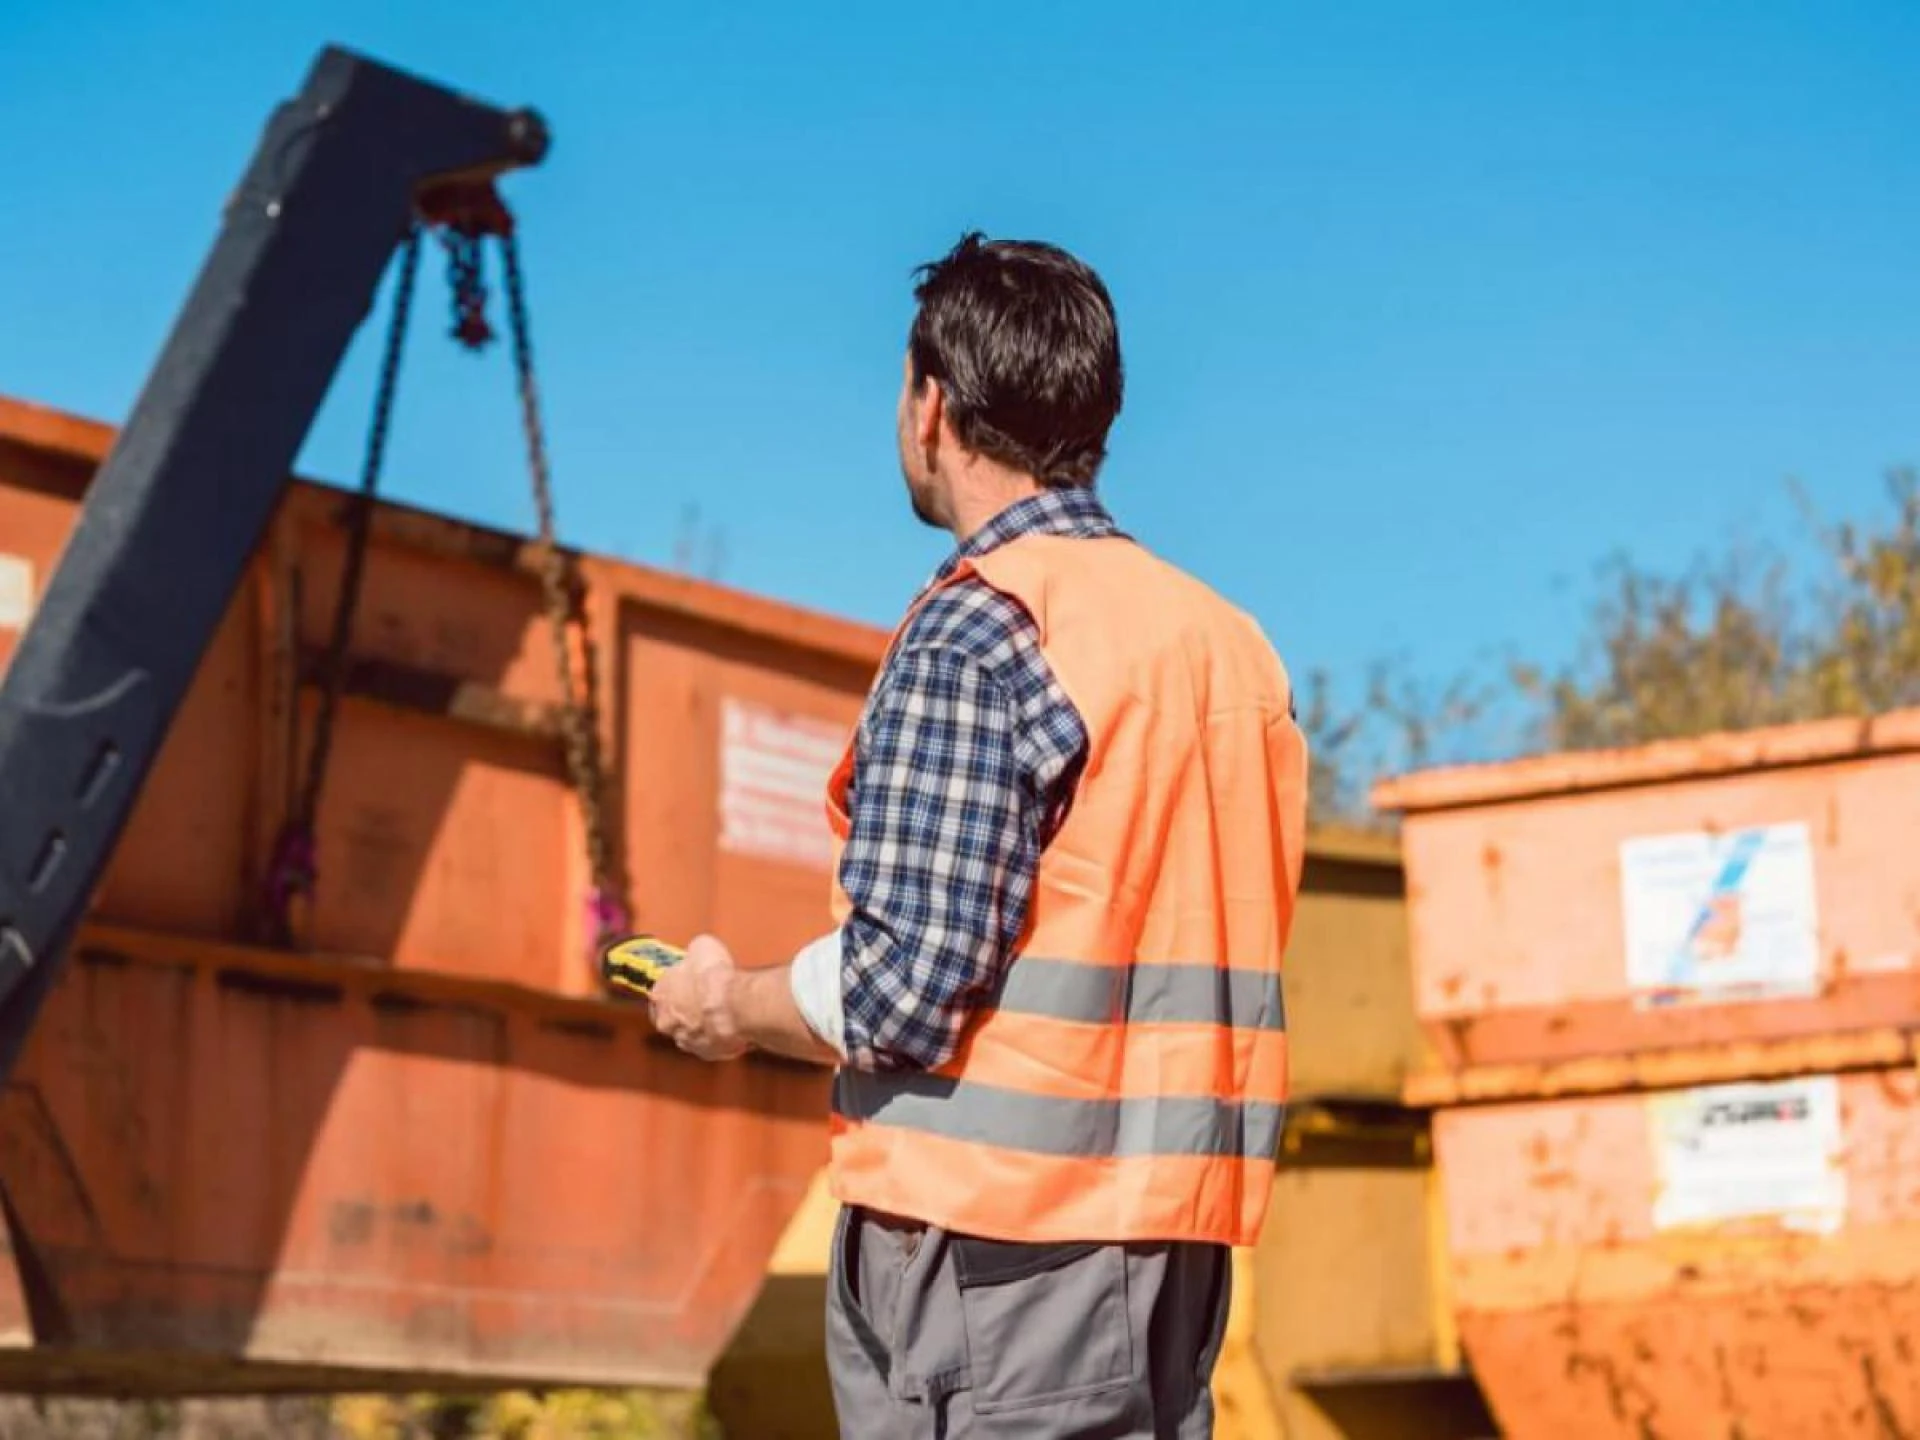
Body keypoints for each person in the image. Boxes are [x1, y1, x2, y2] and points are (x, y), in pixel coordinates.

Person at [648, 231, 1310, 1438]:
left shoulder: (979, 632)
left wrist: (724, 1006)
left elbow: (906, 990)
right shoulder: (1228, 646)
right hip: (1169, 1248)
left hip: (998, 1260)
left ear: (931, 404)